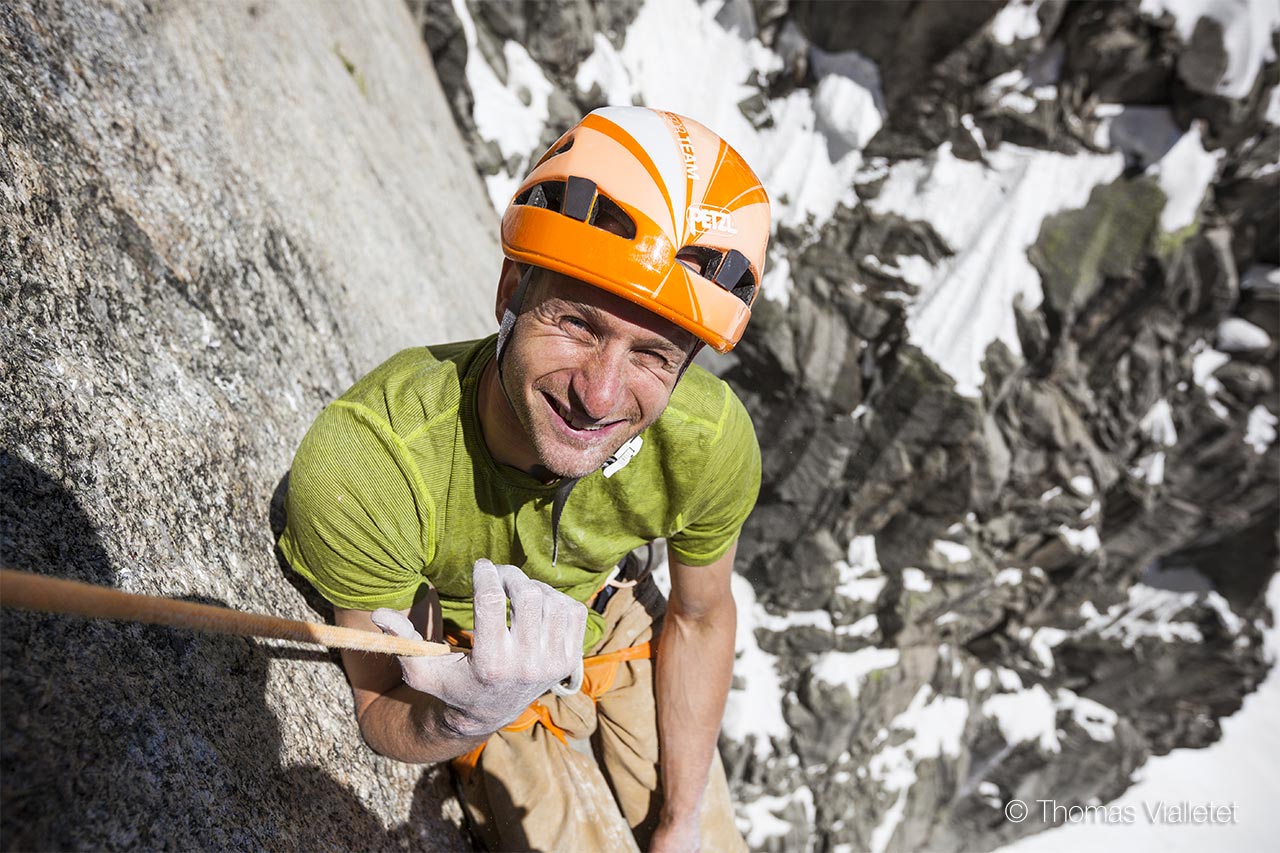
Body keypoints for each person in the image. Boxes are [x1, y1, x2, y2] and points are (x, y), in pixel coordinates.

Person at [279, 105, 770, 852]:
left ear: (685, 368)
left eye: (652, 357)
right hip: (484, 650)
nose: (599, 396)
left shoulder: (706, 440)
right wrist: (467, 712)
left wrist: (680, 824)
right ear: (510, 290)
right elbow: (384, 710)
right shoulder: (373, 463)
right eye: (578, 323)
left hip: (618, 617)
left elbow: (700, 616)